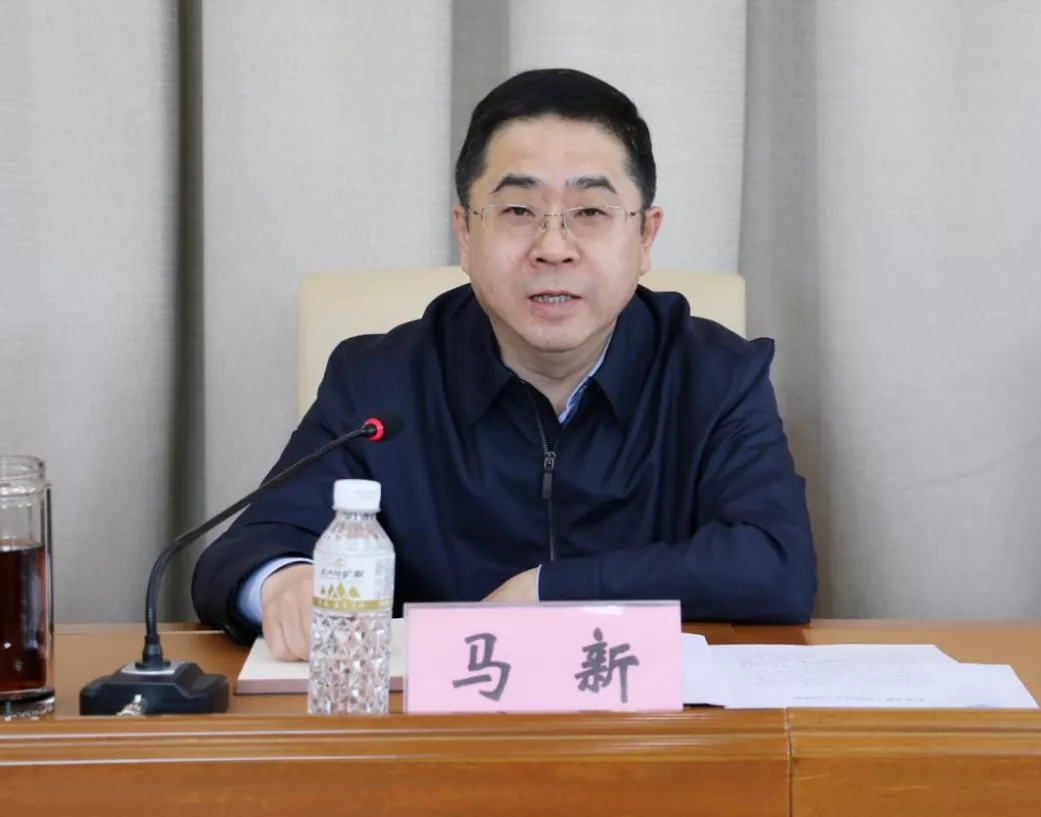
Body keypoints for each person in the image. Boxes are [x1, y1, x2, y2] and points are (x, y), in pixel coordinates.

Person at [192, 67, 816, 660]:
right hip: (438, 724)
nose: (553, 248)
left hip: (645, 725)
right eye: (518, 211)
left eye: (590, 212)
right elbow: (244, 552)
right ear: (465, 233)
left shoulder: (714, 376)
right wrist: (283, 581)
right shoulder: (380, 382)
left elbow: (776, 565)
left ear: (644, 236)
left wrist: (548, 591)